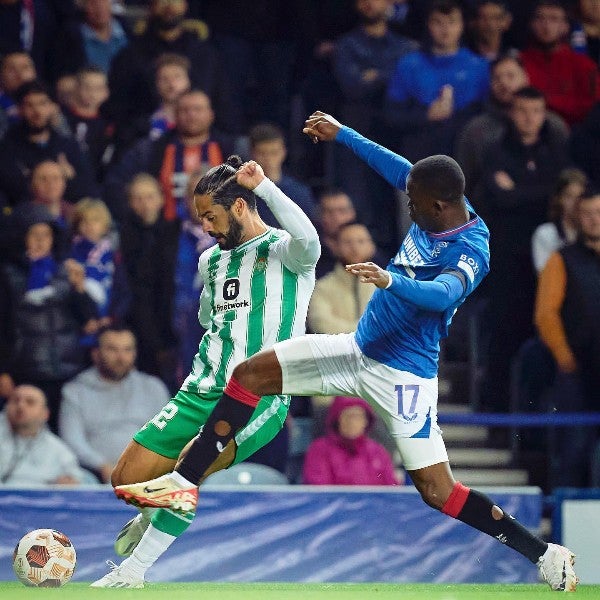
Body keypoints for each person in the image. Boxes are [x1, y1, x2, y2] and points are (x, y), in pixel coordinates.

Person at [115, 111, 577, 592]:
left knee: (437, 491)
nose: (408, 209)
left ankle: (543, 554)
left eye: (415, 205)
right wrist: (343, 135)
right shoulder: (431, 195)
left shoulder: (472, 250)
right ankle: (181, 485)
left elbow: (442, 294)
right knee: (251, 373)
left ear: (441, 205)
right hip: (355, 350)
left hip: (403, 377)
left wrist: (390, 279)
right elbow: (398, 168)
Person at [90, 155, 320, 587]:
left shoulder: (287, 252)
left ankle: (134, 571)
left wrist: (265, 187)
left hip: (258, 400)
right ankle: (157, 509)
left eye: (211, 217)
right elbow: (207, 318)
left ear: (238, 207)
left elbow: (311, 237)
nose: (206, 227)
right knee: (126, 481)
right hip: (199, 390)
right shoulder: (209, 261)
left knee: (185, 470)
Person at [0, 212, 98, 432]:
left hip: (68, 369)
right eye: (34, 234)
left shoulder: (66, 270)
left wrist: (80, 289)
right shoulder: (7, 275)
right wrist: (3, 370)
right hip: (26, 370)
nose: (41, 240)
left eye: (46, 235)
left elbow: (90, 320)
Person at [534, 186, 600, 488]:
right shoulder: (562, 260)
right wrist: (564, 356)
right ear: (577, 217)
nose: (594, 220)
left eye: (599, 213)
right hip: (578, 372)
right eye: (587, 214)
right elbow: (546, 314)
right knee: (574, 451)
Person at [59, 327, 170, 484]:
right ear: (95, 354)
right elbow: (72, 441)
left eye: (127, 350)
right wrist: (102, 466)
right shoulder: (75, 390)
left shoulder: (153, 387)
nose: (121, 357)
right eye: (112, 349)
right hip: (94, 473)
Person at [454, 54, 568, 199]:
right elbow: (464, 181)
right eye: (497, 78)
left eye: (511, 76)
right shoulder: (476, 130)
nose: (504, 83)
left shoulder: (552, 125)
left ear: (525, 78)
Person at [520, 0, 599, 127]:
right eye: (540, 19)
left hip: (574, 134)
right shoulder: (519, 62)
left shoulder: (584, 66)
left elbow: (593, 107)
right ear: (532, 24)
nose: (546, 26)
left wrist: (549, 101)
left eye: (554, 19)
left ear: (565, 26)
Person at [302, 395, 400, 486]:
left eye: (357, 416)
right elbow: (319, 491)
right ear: (337, 419)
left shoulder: (378, 451)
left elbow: (392, 491)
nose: (352, 422)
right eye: (348, 416)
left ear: (366, 421)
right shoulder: (320, 450)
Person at [0, 384, 88, 486]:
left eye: (30, 402)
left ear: (45, 414)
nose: (21, 406)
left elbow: (75, 480)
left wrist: (68, 483)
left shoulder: (58, 449)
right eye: (15, 401)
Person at [531, 168, 588, 274]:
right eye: (569, 196)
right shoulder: (545, 234)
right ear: (559, 199)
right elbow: (545, 274)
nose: (575, 203)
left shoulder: (593, 233)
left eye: (579, 197)